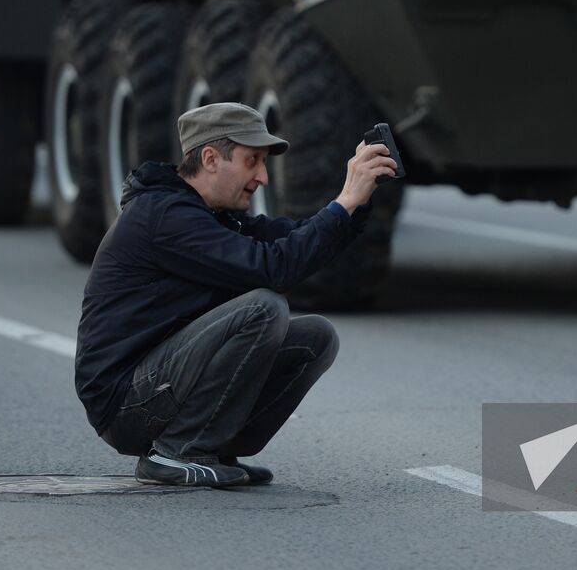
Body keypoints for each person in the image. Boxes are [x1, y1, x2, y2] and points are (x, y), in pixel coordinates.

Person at [75, 101, 397, 488]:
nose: (262, 176)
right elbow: (276, 268)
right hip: (127, 404)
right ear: (211, 158)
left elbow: (292, 239)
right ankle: (175, 452)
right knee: (264, 308)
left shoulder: (213, 215)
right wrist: (343, 201)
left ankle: (212, 448)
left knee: (315, 337)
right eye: (252, 161)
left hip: (158, 387)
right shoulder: (166, 217)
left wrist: (355, 203)